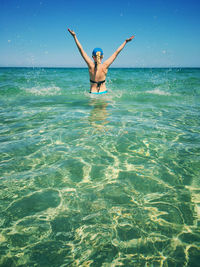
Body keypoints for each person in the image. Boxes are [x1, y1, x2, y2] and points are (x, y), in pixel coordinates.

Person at [68, 28, 134, 94]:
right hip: (103, 93)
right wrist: (125, 42)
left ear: (93, 57)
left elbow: (81, 50)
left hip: (92, 94)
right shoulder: (105, 65)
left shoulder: (91, 65)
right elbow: (116, 52)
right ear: (102, 56)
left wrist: (74, 36)